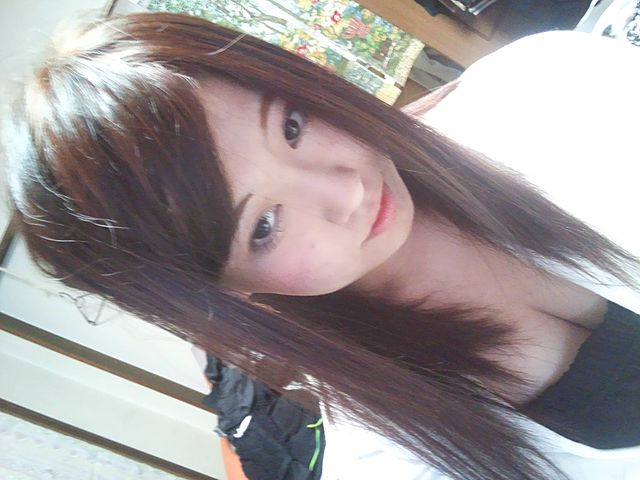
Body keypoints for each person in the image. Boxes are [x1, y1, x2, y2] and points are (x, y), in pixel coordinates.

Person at [2, 11, 639, 480]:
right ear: (225, 293)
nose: (344, 190)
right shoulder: (395, 463)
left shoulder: (544, 85)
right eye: (263, 226)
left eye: (292, 125)